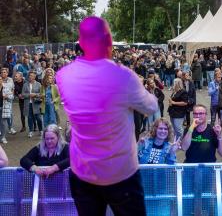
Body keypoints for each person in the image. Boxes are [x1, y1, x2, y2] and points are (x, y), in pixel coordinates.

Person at [56, 17, 158, 216]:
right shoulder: (123, 76)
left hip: (82, 173)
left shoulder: (63, 75)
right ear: (109, 41)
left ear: (81, 42)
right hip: (120, 175)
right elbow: (151, 107)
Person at [22, 71, 43, 138]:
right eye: (30, 75)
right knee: (29, 118)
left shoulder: (39, 84)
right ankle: (30, 131)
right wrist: (29, 95)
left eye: (32, 76)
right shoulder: (25, 84)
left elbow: (41, 94)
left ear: (34, 77)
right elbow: (23, 94)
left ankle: (41, 130)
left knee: (38, 118)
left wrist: (35, 95)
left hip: (36, 103)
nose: (30, 77)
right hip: (28, 104)